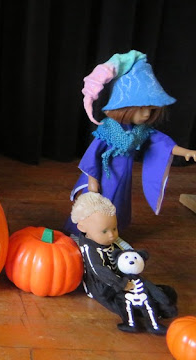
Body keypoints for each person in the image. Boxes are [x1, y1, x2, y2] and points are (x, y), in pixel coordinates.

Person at [64, 51, 196, 235]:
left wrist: (186, 152)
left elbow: (161, 143)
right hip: (103, 176)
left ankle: (110, 234)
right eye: (140, 109)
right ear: (124, 107)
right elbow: (91, 158)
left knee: (117, 205)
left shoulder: (140, 131)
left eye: (150, 110)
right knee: (96, 208)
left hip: (123, 177)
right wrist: (92, 182)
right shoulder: (108, 130)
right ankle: (83, 234)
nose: (146, 114)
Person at [71, 192, 177, 333]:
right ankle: (144, 315)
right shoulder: (90, 249)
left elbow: (125, 249)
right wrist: (120, 284)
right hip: (104, 286)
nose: (111, 235)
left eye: (114, 229)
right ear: (82, 227)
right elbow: (98, 270)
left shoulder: (110, 241)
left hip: (121, 276)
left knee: (145, 285)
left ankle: (162, 300)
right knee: (122, 300)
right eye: (104, 231)